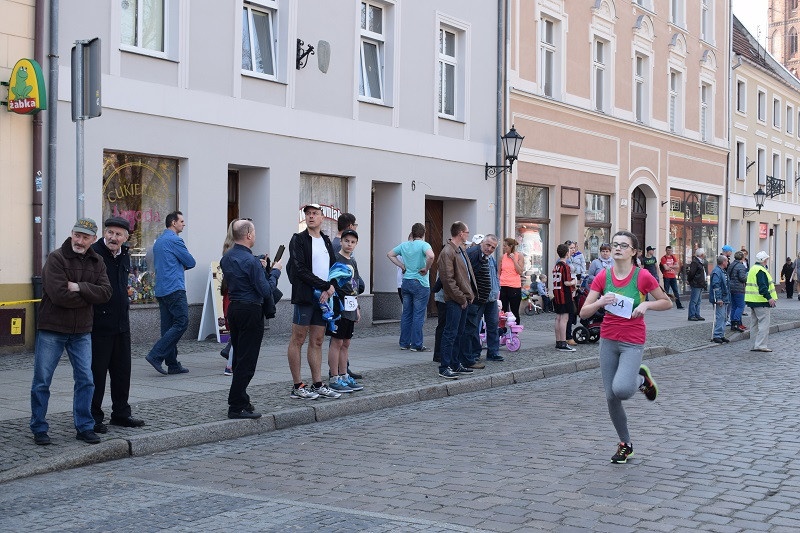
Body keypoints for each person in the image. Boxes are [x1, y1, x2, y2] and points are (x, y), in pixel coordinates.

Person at [579, 231, 671, 464]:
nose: (618, 248)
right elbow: (583, 312)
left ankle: (641, 380)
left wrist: (647, 305)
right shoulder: (602, 276)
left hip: (632, 340)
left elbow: (666, 301)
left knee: (621, 389)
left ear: (633, 251)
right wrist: (600, 302)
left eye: (623, 245)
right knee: (611, 396)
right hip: (608, 339)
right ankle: (625, 444)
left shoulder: (642, 277)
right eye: (615, 244)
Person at [30, 218, 112, 446]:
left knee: (86, 380)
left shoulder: (98, 262)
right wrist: (88, 296)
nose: (80, 240)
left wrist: (78, 287)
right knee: (42, 381)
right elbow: (58, 295)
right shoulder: (56, 258)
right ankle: (38, 427)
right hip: (52, 328)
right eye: (77, 235)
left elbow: (106, 293)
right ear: (72, 234)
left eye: (86, 237)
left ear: (93, 239)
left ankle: (84, 427)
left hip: (82, 331)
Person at [220, 219, 281, 418]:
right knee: (247, 360)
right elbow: (265, 290)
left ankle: (242, 399)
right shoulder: (250, 261)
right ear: (248, 235)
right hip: (250, 311)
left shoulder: (226, 258)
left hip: (234, 309)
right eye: (254, 233)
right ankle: (236, 406)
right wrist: (275, 273)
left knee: (239, 356)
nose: (255, 236)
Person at [90, 217, 146, 435]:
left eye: (118, 234)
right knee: (96, 374)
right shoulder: (94, 254)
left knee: (122, 372)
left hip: (122, 324)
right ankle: (93, 417)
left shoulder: (124, 254)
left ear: (126, 237)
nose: (113, 237)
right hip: (99, 324)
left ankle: (121, 413)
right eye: (110, 233)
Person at [286, 203, 341, 399]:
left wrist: (331, 286)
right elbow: (300, 269)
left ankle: (318, 383)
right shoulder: (298, 240)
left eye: (315, 213)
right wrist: (324, 286)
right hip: (305, 296)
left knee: (317, 340)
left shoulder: (326, 240)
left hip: (324, 299)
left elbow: (334, 267)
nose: (311, 216)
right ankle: (298, 385)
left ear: (322, 217)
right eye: (308, 213)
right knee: (298, 339)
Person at [145, 211, 196, 375]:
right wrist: (182, 265)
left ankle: (173, 364)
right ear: (173, 223)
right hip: (174, 288)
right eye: (181, 221)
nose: (184, 224)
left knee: (167, 327)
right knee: (182, 322)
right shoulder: (175, 240)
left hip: (161, 289)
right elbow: (190, 261)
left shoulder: (159, 241)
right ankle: (155, 355)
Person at [326, 229, 365, 393]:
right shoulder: (336, 259)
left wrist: (356, 306)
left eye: (353, 242)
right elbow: (332, 282)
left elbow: (354, 285)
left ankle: (344, 375)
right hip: (339, 306)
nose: (349, 244)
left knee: (346, 342)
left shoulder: (353, 261)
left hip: (350, 304)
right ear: (341, 241)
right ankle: (334, 377)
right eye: (347, 241)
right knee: (337, 342)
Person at [437, 221, 477, 379]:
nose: (468, 235)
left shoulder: (460, 250)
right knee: (450, 333)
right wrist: (461, 298)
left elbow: (466, 275)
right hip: (455, 299)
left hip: (463, 298)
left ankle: (455, 363)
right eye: (467, 232)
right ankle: (444, 366)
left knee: (459, 333)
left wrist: (469, 295)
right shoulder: (448, 252)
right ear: (461, 233)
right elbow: (448, 280)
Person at [388, 223, 435, 351]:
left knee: (406, 314)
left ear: (412, 233)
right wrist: (426, 268)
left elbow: (390, 254)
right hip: (420, 282)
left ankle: (404, 343)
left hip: (406, 282)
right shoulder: (424, 245)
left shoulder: (404, 245)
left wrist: (402, 266)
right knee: (418, 315)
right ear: (423, 233)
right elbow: (431, 256)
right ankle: (416, 344)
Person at [464, 234, 501, 367]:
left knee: (493, 325)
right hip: (478, 298)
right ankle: (474, 353)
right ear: (481, 244)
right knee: (474, 326)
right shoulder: (475, 255)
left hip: (491, 297)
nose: (489, 248)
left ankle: (493, 352)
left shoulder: (491, 259)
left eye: (493, 247)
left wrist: (497, 291)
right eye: (488, 245)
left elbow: (495, 276)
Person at [745, 251, 777, 352]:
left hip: (752, 301)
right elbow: (762, 287)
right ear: (763, 260)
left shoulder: (753, 269)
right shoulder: (761, 271)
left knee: (754, 324)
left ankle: (753, 345)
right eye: (766, 259)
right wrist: (769, 298)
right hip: (761, 301)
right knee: (763, 324)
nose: (767, 261)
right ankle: (760, 345)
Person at [552, 243, 576, 352]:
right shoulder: (565, 266)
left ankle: (558, 341)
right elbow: (566, 282)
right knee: (564, 318)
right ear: (567, 253)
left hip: (557, 293)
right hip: (564, 294)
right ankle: (563, 342)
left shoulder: (556, 265)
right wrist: (574, 282)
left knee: (558, 318)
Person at [565, 241, 586, 345]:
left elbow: (582, 268)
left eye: (574, 248)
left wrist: (580, 280)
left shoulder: (577, 256)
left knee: (572, 312)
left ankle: (566, 336)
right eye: (570, 248)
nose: (573, 250)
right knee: (568, 313)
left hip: (575, 286)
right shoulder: (565, 261)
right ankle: (566, 337)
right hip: (568, 289)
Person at [499, 238, 524, 324]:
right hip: (503, 286)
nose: (503, 248)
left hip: (514, 287)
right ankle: (503, 331)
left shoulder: (519, 256)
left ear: (511, 246)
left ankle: (514, 333)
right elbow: (498, 272)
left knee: (514, 311)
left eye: (505, 246)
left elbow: (520, 271)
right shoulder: (502, 257)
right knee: (503, 311)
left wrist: (514, 260)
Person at [709, 255, 731, 344]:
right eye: (726, 261)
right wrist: (718, 298)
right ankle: (717, 335)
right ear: (723, 262)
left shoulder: (723, 271)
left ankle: (721, 335)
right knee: (720, 316)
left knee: (724, 317)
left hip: (725, 297)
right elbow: (716, 286)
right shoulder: (717, 272)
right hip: (720, 298)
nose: (727, 262)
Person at [727, 251, 748, 333]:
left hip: (731, 288)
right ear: (742, 258)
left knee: (734, 307)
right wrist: (747, 277)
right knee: (740, 306)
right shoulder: (741, 266)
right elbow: (742, 278)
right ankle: (736, 322)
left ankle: (732, 323)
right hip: (739, 288)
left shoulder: (731, 265)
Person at [687, 248, 707, 321]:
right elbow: (691, 273)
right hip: (696, 283)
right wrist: (690, 280)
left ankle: (697, 314)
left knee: (698, 301)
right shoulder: (695, 262)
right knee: (694, 300)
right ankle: (692, 315)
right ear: (701, 255)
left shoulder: (700, 261)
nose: (705, 254)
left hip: (700, 283)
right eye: (704, 253)